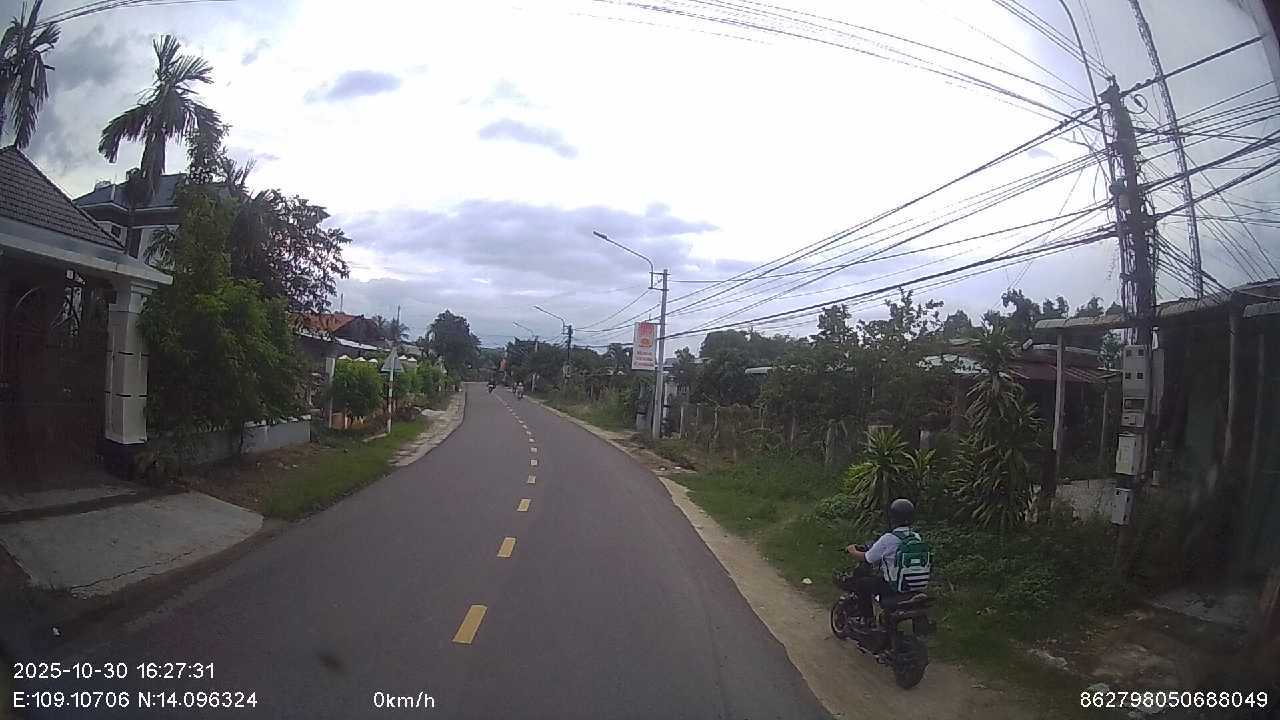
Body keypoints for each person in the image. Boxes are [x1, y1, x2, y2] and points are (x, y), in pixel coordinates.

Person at [845, 498, 917, 623]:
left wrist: (852, 550)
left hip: (893, 586)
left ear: (892, 518)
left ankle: (867, 619)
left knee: (862, 583)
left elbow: (867, 558)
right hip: (914, 584)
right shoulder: (916, 537)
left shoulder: (888, 539)